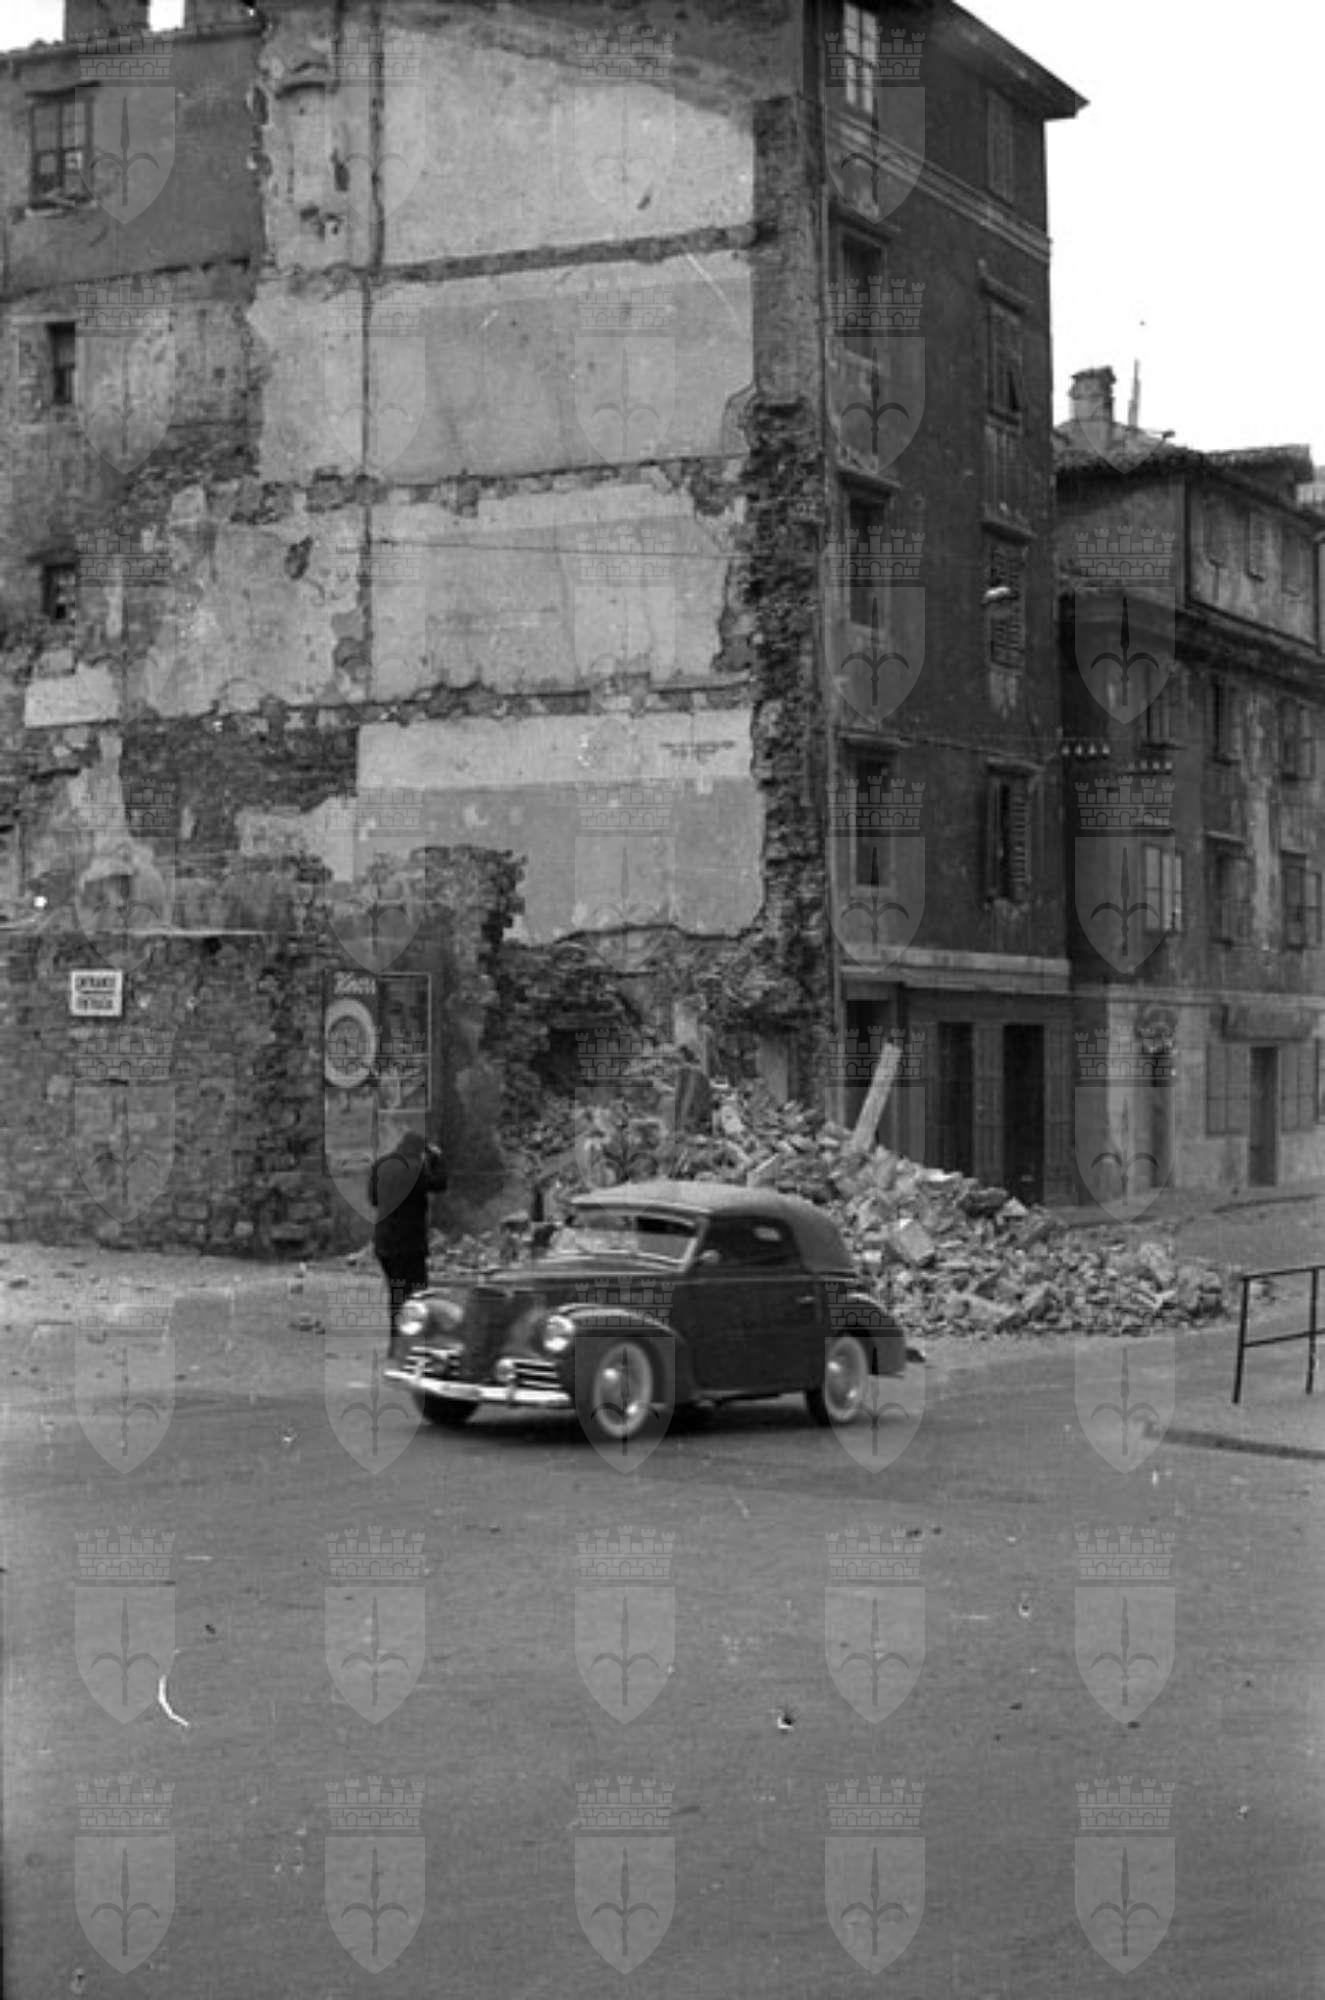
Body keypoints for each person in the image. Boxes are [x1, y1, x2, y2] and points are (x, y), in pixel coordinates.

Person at [369, 1130, 447, 1345]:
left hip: (384, 1241)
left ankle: (396, 1341)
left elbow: (373, 1199)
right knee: (417, 1293)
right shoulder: (416, 1169)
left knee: (396, 1290)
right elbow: (440, 1184)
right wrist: (437, 1159)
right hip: (410, 1242)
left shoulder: (380, 1165)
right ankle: (413, 1340)